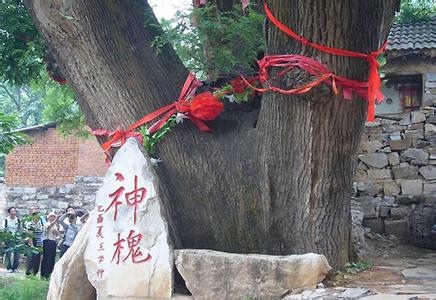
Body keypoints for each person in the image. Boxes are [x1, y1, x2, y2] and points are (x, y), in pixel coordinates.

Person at [40, 211, 59, 279]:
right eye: (51, 216)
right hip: (47, 241)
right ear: (48, 217)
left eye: (54, 216)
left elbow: (57, 234)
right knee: (46, 258)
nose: (53, 218)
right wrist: (56, 220)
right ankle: (44, 274)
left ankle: (49, 273)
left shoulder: (55, 226)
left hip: (53, 242)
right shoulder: (46, 224)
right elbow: (48, 227)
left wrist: (57, 232)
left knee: (51, 258)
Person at [3, 207, 21, 272]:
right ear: (9, 212)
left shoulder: (18, 220)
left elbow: (20, 229)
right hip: (8, 238)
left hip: (16, 238)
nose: (13, 213)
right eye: (12, 211)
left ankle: (15, 267)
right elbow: (3, 230)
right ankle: (9, 267)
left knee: (17, 253)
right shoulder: (6, 220)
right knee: (8, 253)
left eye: (14, 211)